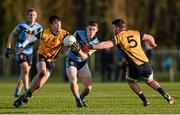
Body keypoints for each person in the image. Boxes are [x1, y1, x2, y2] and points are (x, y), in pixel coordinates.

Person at [83, 19, 174, 106]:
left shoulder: (118, 37)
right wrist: (153, 44)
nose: (113, 30)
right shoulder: (135, 33)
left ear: (117, 28)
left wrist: (90, 46)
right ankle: (164, 93)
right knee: (150, 81)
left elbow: (106, 44)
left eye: (113, 28)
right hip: (146, 63)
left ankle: (144, 99)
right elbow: (149, 37)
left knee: (131, 81)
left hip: (134, 65)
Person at [13, 15, 69, 108]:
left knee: (39, 85)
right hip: (42, 56)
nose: (58, 26)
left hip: (52, 61)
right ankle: (26, 94)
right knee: (42, 71)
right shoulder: (44, 33)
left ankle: (23, 97)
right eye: (55, 24)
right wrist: (22, 46)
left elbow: (71, 42)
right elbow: (30, 38)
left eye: (59, 23)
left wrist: (72, 47)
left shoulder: (65, 34)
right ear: (51, 25)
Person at [5, 8, 43, 97]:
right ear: (27, 16)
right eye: (30, 15)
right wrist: (8, 49)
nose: (32, 16)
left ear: (36, 16)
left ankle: (17, 90)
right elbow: (12, 35)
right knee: (25, 69)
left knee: (24, 72)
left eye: (34, 15)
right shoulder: (21, 25)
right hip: (19, 49)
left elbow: (42, 40)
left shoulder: (39, 27)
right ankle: (27, 89)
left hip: (30, 51)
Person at [65, 21, 99, 108]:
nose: (91, 31)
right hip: (71, 60)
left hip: (82, 62)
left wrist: (78, 49)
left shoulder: (96, 42)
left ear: (97, 30)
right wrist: (67, 43)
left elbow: (84, 56)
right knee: (73, 80)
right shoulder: (78, 33)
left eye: (93, 30)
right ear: (86, 28)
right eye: (90, 29)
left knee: (88, 88)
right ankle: (77, 100)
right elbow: (69, 42)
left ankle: (81, 97)